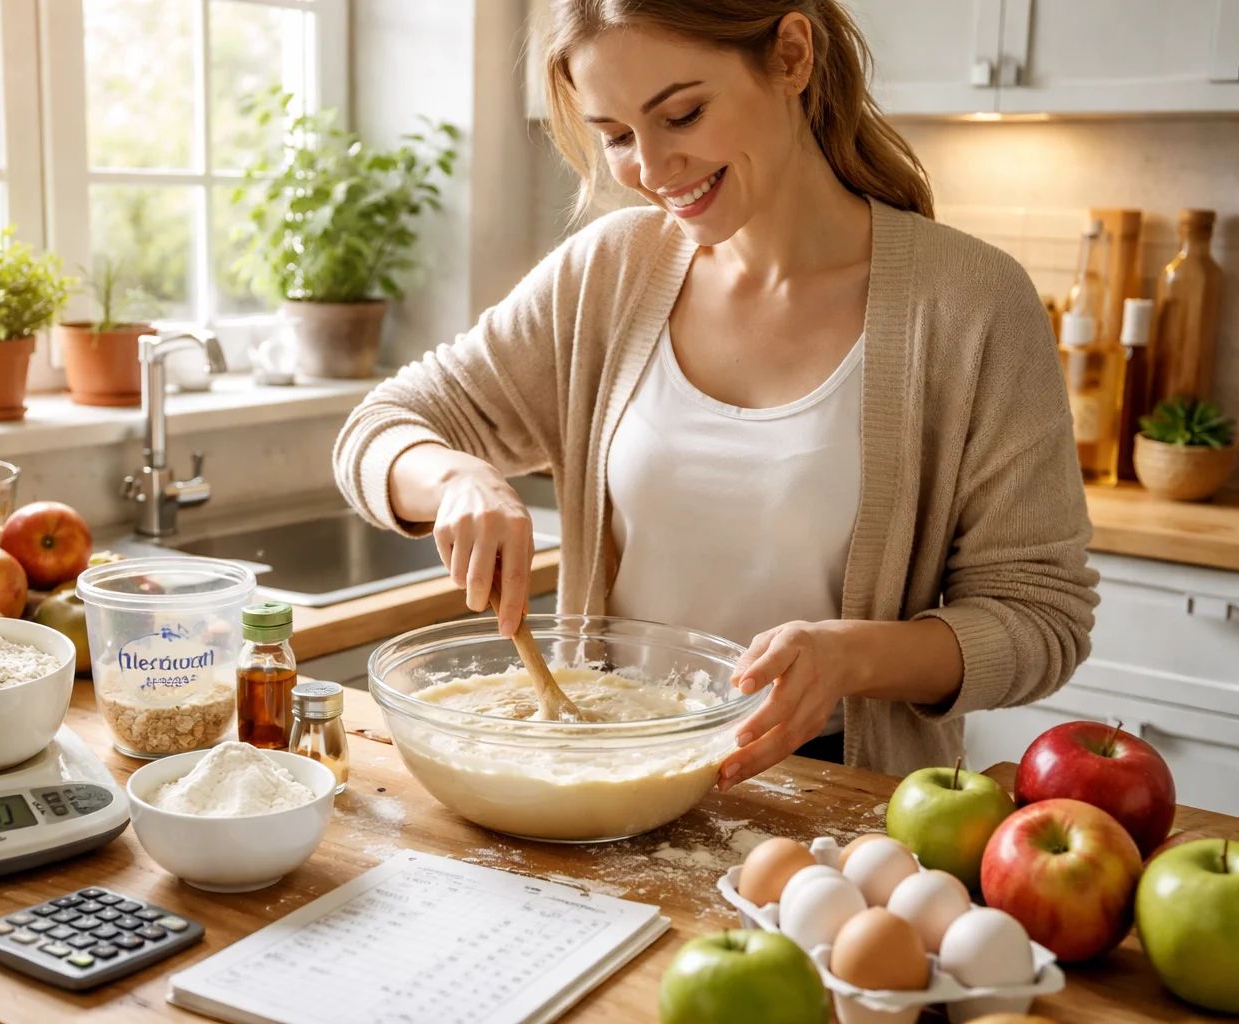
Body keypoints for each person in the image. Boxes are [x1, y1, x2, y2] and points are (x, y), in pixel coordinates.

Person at [333, 0, 1097, 784]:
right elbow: (380, 427)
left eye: (684, 114)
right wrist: (456, 478)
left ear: (792, 56)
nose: (653, 171)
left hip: (839, 801)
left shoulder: (971, 302)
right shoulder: (606, 274)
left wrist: (850, 658)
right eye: (619, 137)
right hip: (602, 777)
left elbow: (1042, 620)